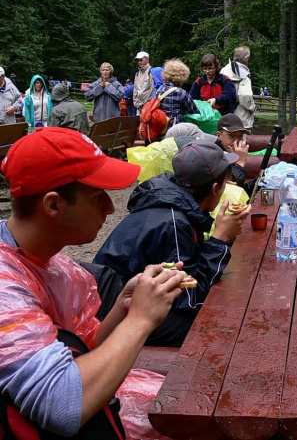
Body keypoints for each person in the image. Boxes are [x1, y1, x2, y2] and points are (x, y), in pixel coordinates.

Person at [0, 127, 186, 437]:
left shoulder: (48, 262)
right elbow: (62, 405)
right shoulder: (6, 288)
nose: (111, 208)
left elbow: (80, 352)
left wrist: (123, 308)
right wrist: (140, 320)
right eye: (98, 197)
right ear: (54, 205)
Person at [94, 140, 251, 347]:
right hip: (112, 312)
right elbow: (190, 298)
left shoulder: (174, 202)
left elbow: (190, 269)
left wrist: (222, 239)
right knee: (216, 324)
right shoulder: (174, 223)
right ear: (215, 188)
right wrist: (220, 240)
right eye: (225, 183)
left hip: (120, 299)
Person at [214, 113, 258, 195]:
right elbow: (229, 192)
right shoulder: (213, 156)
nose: (236, 141)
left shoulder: (230, 154)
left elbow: (239, 191)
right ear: (219, 135)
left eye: (240, 136)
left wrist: (257, 183)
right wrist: (240, 163)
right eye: (231, 135)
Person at [155, 58, 199, 129]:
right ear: (182, 76)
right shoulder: (180, 92)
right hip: (175, 129)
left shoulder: (159, 90)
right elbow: (194, 111)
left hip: (161, 127)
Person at [220, 45, 256, 130]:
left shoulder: (224, 70)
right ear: (246, 59)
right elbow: (245, 95)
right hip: (241, 118)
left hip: (225, 115)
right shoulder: (244, 75)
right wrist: (252, 107)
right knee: (242, 140)